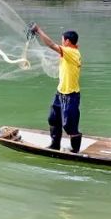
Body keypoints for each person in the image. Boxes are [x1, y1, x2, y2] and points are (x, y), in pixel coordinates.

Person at [30, 24, 82, 153]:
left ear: (67, 41)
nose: (61, 42)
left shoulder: (71, 52)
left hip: (71, 95)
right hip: (60, 92)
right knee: (53, 119)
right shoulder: (70, 53)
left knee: (69, 126)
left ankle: (75, 151)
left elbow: (51, 45)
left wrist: (38, 30)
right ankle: (55, 145)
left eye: (63, 40)